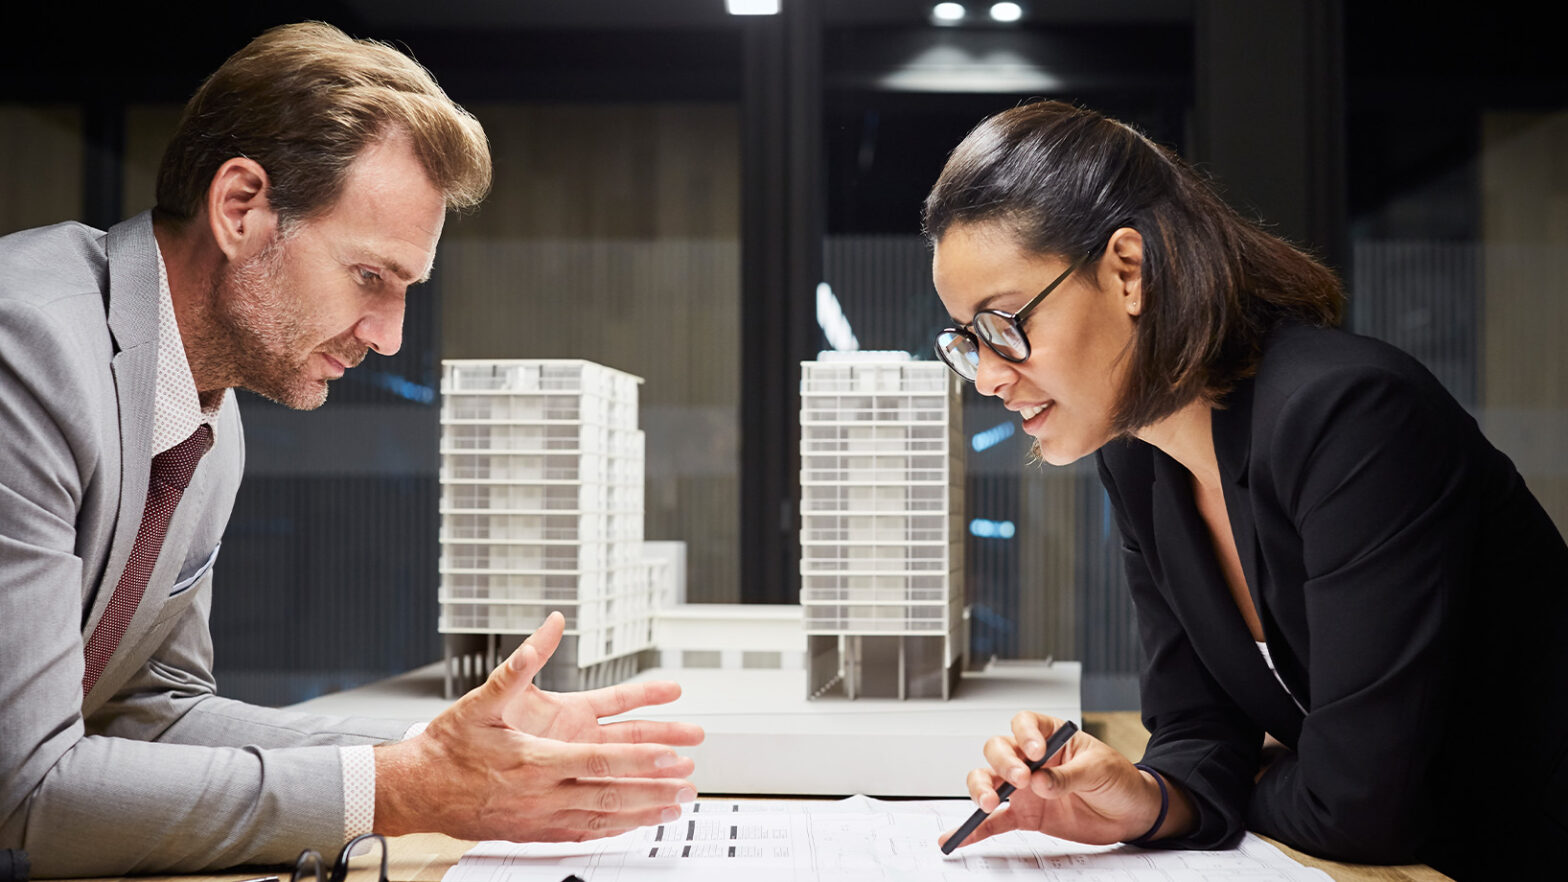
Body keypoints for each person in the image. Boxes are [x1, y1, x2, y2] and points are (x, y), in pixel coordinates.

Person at [0, 22, 702, 876]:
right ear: (241, 208)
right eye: (371, 276)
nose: (391, 336)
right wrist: (401, 787)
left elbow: (149, 707)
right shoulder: (29, 351)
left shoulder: (208, 423)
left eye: (407, 290)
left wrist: (432, 751)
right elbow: (24, 785)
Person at [922, 100, 1568, 879]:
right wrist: (1151, 799)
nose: (989, 376)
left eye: (1002, 324)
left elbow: (1361, 807)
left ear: (1128, 271)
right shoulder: (1138, 458)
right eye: (967, 341)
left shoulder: (1348, 416)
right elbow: (1197, 727)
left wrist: (1232, 785)